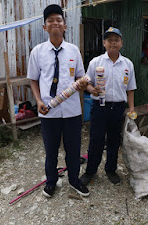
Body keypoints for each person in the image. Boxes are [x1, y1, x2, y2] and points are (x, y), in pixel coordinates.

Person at [27, 4, 89, 198]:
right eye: (50, 20)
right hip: (48, 110)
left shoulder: (73, 51)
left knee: (73, 149)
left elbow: (81, 77)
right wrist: (37, 100)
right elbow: (33, 80)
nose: (55, 23)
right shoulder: (37, 52)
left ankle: (74, 180)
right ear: (44, 27)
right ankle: (51, 181)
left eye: (58, 20)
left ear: (65, 26)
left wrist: (84, 85)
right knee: (51, 150)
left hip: (71, 110)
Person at [80, 27, 136, 185]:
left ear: (121, 43)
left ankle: (110, 169)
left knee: (113, 141)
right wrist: (92, 90)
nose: (113, 43)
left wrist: (131, 108)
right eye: (109, 40)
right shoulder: (95, 62)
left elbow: (130, 88)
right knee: (96, 140)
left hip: (117, 108)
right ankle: (90, 171)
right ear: (104, 43)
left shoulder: (127, 65)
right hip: (99, 107)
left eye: (116, 40)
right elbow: (86, 83)